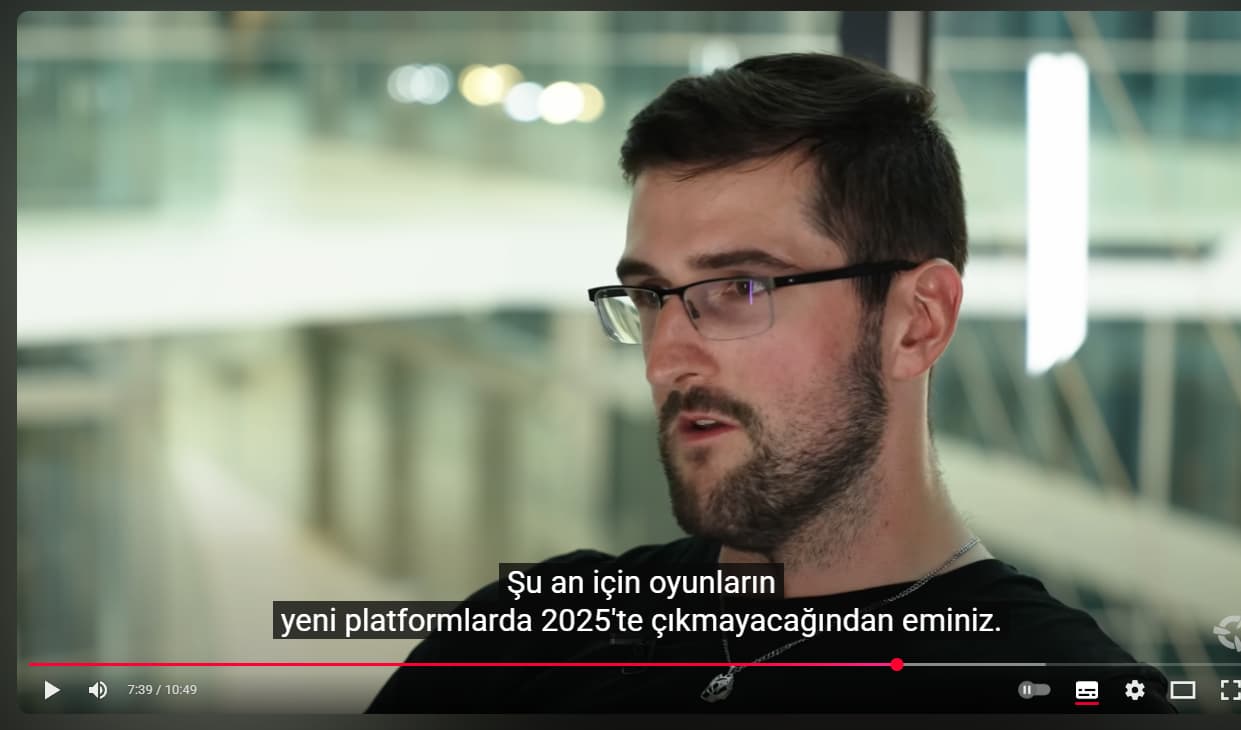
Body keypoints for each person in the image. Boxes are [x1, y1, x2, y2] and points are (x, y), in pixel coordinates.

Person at [368, 52, 1174, 713]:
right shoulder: (527, 634)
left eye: (740, 288)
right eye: (649, 297)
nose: (664, 359)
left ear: (917, 322)